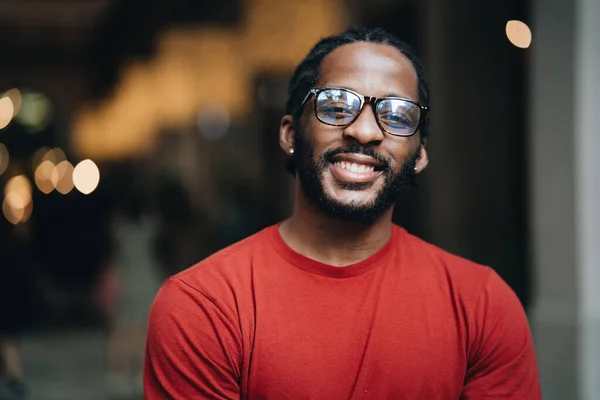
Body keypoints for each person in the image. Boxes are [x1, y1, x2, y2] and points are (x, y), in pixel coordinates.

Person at [144, 27, 542, 399]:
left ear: (419, 155)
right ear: (289, 134)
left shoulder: (483, 304)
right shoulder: (202, 305)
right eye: (336, 106)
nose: (365, 131)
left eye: (397, 115)